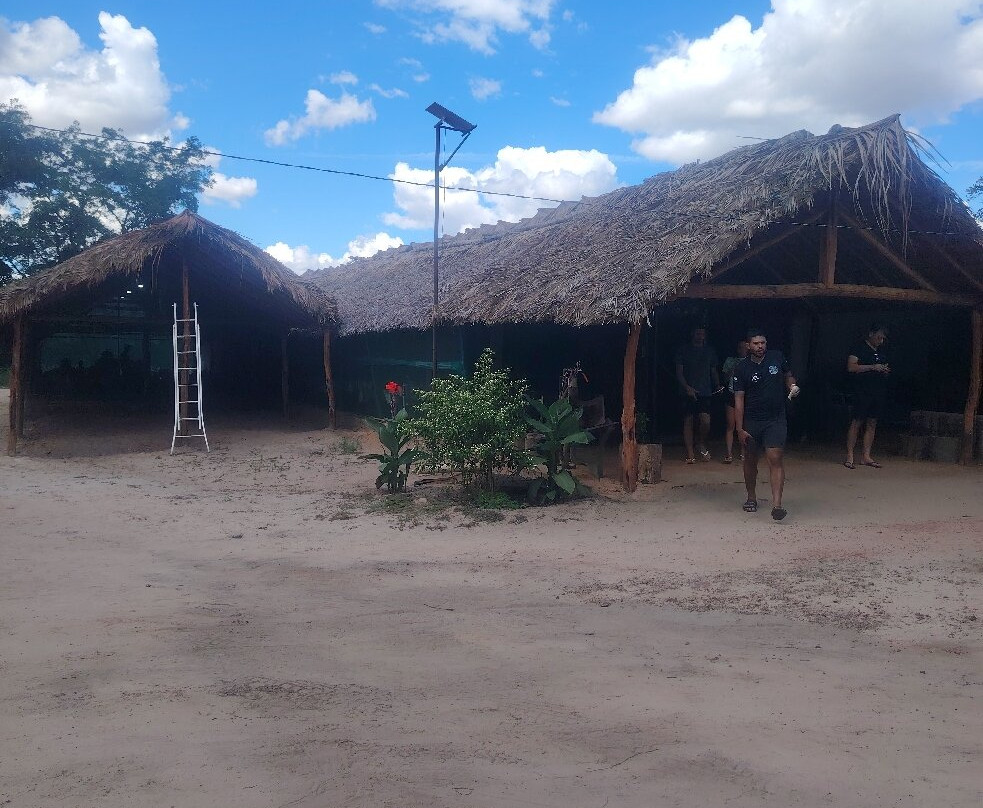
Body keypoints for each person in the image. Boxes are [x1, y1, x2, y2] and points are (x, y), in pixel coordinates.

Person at [733, 328, 800, 520]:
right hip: (752, 421)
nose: (760, 346)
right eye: (756, 343)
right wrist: (739, 428)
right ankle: (751, 497)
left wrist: (792, 385)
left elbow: (788, 375)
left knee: (775, 457)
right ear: (748, 345)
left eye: (763, 343)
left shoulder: (777, 357)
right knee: (750, 459)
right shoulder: (741, 368)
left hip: (775, 419)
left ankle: (777, 504)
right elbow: (739, 399)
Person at [844, 324, 890, 469]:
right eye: (878, 337)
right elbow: (851, 367)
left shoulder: (882, 351)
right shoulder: (858, 348)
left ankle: (866, 456)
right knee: (857, 422)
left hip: (877, 391)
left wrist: (884, 370)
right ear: (871, 334)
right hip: (861, 391)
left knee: (872, 423)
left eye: (883, 338)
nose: (881, 341)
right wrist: (872, 367)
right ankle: (850, 455)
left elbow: (885, 369)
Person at [675, 326, 720, 463]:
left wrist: (718, 385)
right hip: (687, 391)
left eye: (702, 333)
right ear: (692, 334)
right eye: (697, 333)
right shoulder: (683, 350)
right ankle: (690, 453)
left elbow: (713, 370)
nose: (700, 336)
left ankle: (700, 442)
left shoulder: (710, 351)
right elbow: (679, 372)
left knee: (705, 420)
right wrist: (687, 387)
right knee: (688, 420)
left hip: (705, 390)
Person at [721, 338, 749, 464]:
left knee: (744, 426)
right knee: (731, 425)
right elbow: (725, 378)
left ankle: (744, 452)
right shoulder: (730, 361)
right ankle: (729, 453)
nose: (742, 350)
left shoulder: (750, 362)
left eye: (744, 347)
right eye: (740, 347)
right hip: (732, 393)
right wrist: (733, 369)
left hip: (746, 396)